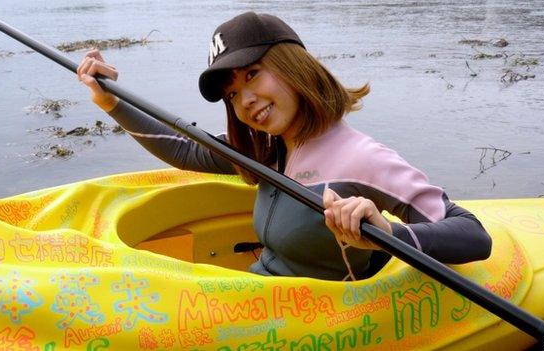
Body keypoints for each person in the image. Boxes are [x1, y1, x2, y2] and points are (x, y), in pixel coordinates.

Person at [76, 12, 492, 281]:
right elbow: (185, 150)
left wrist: (389, 234)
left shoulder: (363, 159)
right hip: (263, 300)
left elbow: (473, 235)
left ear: (294, 67)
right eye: (233, 94)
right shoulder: (270, 151)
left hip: (325, 322)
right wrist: (109, 100)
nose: (246, 100)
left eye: (253, 74)